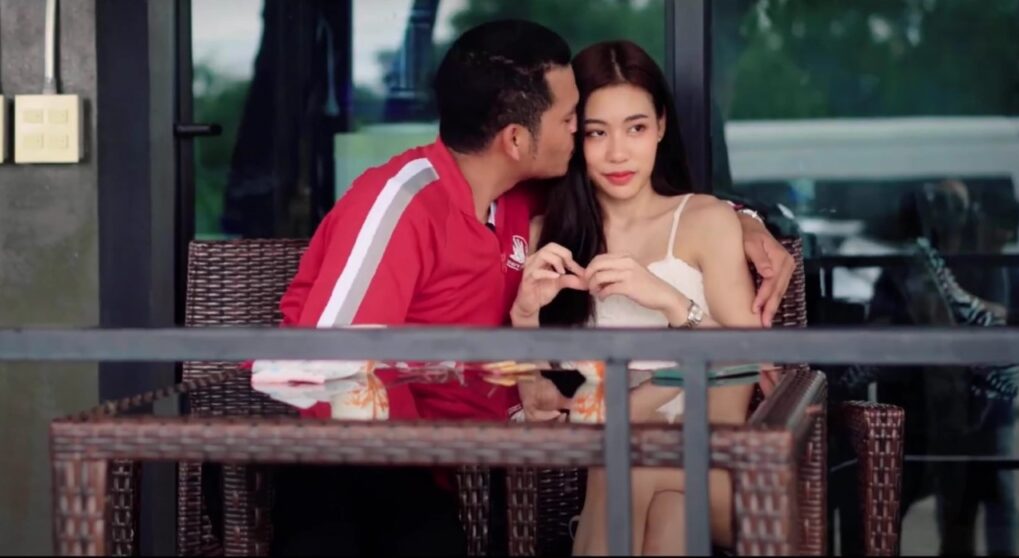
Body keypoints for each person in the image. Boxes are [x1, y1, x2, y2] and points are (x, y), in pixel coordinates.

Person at [271, 20, 794, 556]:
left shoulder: (520, 199)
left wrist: (743, 223)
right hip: (360, 460)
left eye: (632, 127)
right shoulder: (425, 205)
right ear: (517, 140)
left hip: (459, 465)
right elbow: (330, 363)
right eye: (580, 126)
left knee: (638, 475)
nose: (604, 146)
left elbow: (652, 211)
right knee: (652, 499)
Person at [509, 40, 762, 555]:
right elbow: (538, 400)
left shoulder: (706, 221)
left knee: (633, 458)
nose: (618, 153)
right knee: (667, 518)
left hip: (720, 464)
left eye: (636, 128)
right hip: (618, 470)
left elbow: (745, 373)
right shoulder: (550, 238)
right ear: (576, 136)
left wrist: (670, 302)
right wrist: (524, 316)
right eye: (597, 132)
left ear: (661, 127)